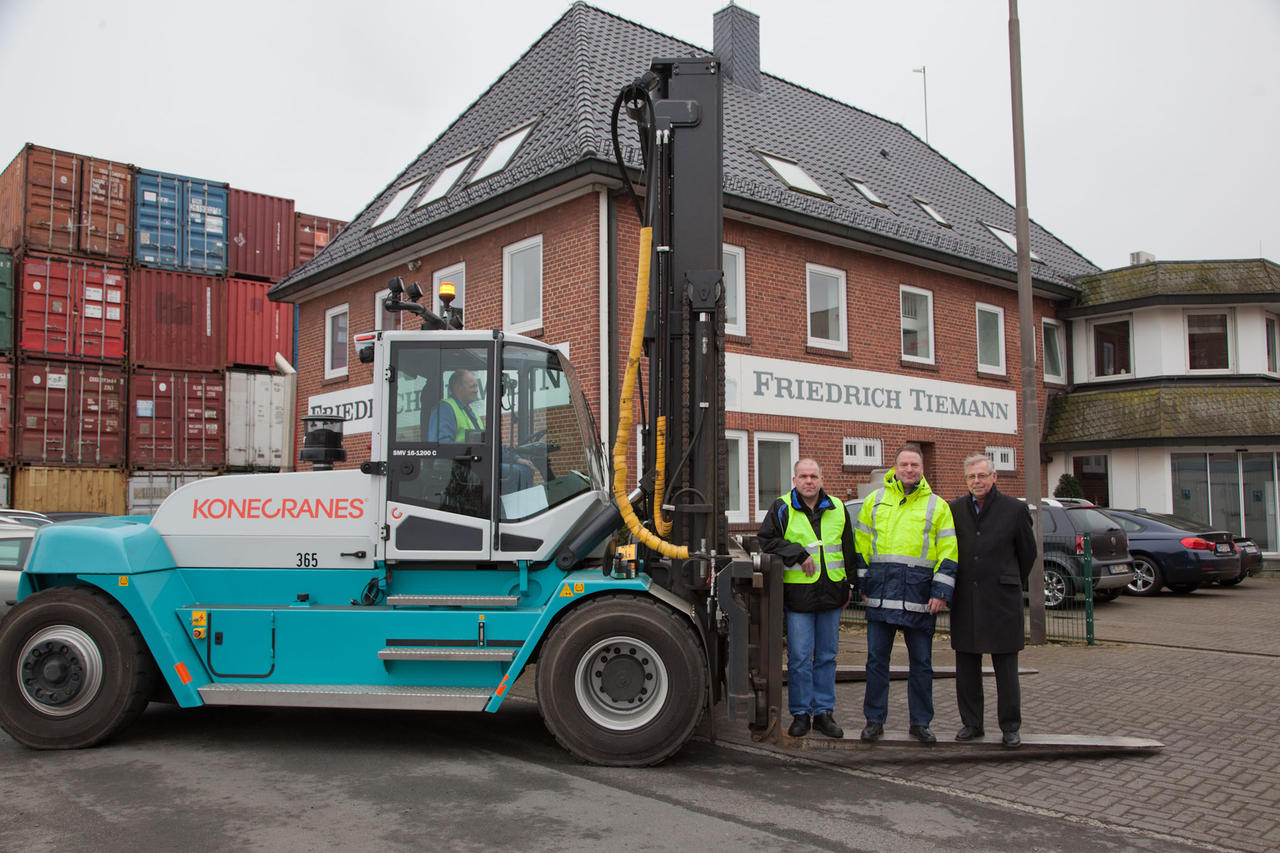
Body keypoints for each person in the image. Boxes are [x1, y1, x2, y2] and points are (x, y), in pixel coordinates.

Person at [854, 443, 958, 744]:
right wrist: (863, 585)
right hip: (881, 596)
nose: (909, 470)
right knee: (875, 662)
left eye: (914, 465)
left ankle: (920, 722)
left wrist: (941, 592)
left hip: (920, 597)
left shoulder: (938, 506)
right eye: (904, 465)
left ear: (922, 468)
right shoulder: (874, 501)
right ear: (895, 468)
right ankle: (874, 720)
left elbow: (949, 553)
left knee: (922, 664)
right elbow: (861, 547)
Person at [758, 458, 855, 739]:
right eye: (803, 476)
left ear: (822, 479)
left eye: (813, 476)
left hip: (832, 594)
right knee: (800, 658)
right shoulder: (782, 507)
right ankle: (801, 713)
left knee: (826, 657)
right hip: (799, 597)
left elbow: (848, 548)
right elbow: (767, 540)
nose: (808, 481)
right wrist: (797, 553)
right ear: (795, 480)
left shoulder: (837, 507)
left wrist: (850, 585)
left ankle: (824, 712)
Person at [948, 453, 1036, 748]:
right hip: (966, 598)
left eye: (982, 476)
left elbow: (1028, 553)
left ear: (994, 477)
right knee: (967, 667)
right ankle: (972, 724)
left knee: (1006, 669)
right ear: (966, 479)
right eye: (972, 477)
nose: (977, 481)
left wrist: (1008, 579)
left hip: (1002, 599)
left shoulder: (1014, 509)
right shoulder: (955, 509)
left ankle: (1010, 726)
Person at [426, 369, 483, 442]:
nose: (476, 390)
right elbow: (441, 446)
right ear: (458, 387)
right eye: (472, 386)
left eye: (476, 386)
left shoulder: (472, 412)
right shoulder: (445, 409)